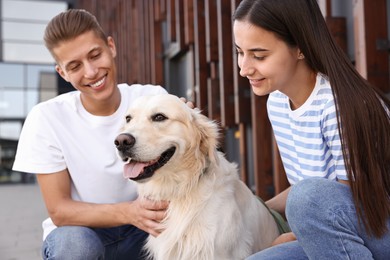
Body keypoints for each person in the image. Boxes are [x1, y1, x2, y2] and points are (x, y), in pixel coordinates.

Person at [232, 0, 390, 259]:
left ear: (300, 48)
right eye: (240, 52)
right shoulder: (278, 102)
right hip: (331, 231)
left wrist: (296, 233)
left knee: (307, 199)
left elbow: (344, 200)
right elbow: (312, 190)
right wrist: (255, 209)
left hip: (378, 225)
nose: (244, 68)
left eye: (259, 56)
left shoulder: (338, 105)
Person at [13, 9, 169, 259]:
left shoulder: (152, 99)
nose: (91, 72)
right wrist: (129, 212)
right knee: (76, 245)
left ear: (111, 47)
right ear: (62, 73)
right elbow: (60, 211)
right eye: (75, 66)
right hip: (84, 232)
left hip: (147, 229)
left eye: (95, 55)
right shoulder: (47, 118)